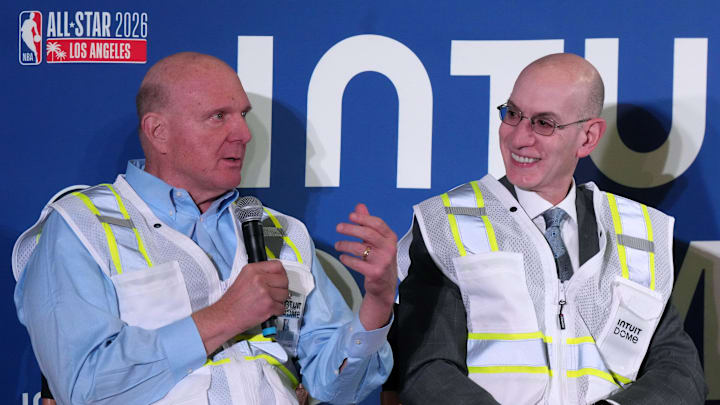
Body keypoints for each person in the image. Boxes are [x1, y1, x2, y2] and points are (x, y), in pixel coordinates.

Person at [12, 52, 397, 405]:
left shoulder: (280, 232)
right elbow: (82, 386)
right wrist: (225, 316)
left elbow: (336, 387)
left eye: (243, 116)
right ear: (158, 131)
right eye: (218, 116)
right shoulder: (82, 227)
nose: (243, 135)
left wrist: (377, 304)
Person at [391, 53, 707, 404]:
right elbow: (427, 369)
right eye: (513, 114)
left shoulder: (637, 233)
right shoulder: (447, 224)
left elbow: (679, 370)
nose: (519, 138)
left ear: (587, 138)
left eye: (544, 123)